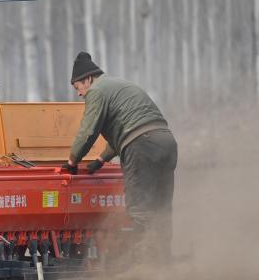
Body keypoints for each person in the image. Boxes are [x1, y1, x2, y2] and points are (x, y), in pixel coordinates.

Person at [63, 52, 178, 263]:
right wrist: (101, 160)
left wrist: (72, 161)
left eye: (77, 87)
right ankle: (163, 262)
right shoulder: (119, 85)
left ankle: (144, 265)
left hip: (141, 147)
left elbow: (89, 131)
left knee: (139, 208)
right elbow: (129, 126)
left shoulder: (96, 91)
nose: (79, 94)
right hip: (166, 142)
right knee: (161, 209)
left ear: (87, 79)